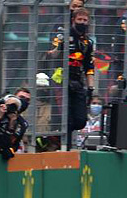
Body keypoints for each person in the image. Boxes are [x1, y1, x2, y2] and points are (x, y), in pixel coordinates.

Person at [50, 8, 94, 143]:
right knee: (66, 119)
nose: (82, 22)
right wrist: (61, 46)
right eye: (79, 19)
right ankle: (64, 145)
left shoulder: (88, 42)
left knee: (81, 120)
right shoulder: (62, 34)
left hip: (77, 81)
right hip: (61, 80)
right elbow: (52, 55)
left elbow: (89, 66)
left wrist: (90, 88)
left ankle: (59, 137)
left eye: (85, 20)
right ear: (73, 20)